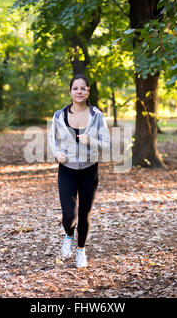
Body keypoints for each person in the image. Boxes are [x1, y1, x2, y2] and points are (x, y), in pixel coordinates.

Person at [48, 74, 110, 268]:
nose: (79, 91)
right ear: (70, 92)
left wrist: (92, 141)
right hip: (67, 170)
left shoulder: (97, 115)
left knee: (85, 214)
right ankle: (68, 235)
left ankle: (81, 251)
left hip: (89, 170)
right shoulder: (59, 115)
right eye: (76, 88)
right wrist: (57, 153)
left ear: (88, 91)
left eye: (83, 88)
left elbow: (107, 144)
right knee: (69, 215)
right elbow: (53, 139)